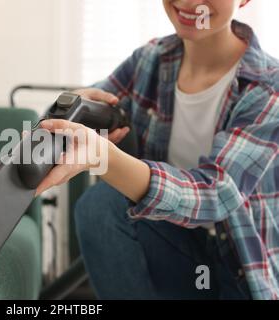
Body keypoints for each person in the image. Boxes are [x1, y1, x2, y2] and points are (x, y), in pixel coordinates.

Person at [35, 0, 279, 299]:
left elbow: (217, 195)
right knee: (101, 205)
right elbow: (81, 108)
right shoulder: (152, 59)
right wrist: (68, 108)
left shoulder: (269, 87)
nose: (190, 3)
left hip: (239, 273)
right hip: (177, 255)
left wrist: (104, 158)